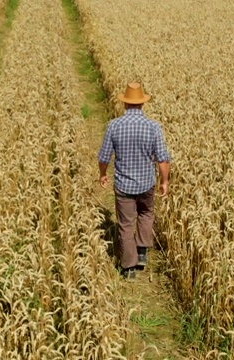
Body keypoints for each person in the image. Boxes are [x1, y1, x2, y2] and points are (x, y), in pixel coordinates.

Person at [98, 82, 171, 279]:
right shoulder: (153, 127)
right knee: (146, 214)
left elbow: (104, 157)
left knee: (126, 224)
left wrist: (103, 174)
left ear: (125, 104)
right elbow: (163, 158)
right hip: (147, 183)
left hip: (124, 185)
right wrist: (165, 181)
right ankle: (142, 253)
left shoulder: (114, 126)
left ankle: (129, 268)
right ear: (142, 104)